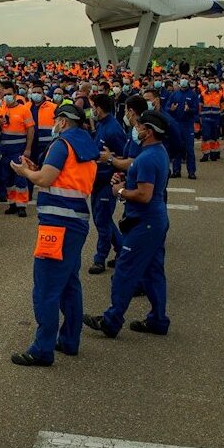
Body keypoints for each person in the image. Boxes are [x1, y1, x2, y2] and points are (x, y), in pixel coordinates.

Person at [8, 104, 98, 367]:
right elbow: (62, 177)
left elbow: (45, 179)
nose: (54, 124)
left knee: (46, 288)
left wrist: (26, 172)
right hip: (76, 221)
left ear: (63, 121)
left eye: (56, 119)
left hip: (57, 225)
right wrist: (37, 168)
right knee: (69, 284)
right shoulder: (85, 145)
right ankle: (69, 340)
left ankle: (42, 349)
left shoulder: (62, 145)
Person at [84, 111, 171, 339]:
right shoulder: (156, 152)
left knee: (124, 270)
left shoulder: (147, 157)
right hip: (154, 221)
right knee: (153, 272)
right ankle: (158, 320)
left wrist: (120, 191)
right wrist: (125, 181)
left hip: (145, 222)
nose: (136, 128)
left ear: (148, 131)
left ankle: (111, 321)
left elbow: (144, 195)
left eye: (139, 126)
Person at [89, 94, 127, 275]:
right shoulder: (101, 125)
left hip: (107, 181)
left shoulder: (113, 129)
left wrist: (111, 161)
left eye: (93, 107)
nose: (92, 111)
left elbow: (124, 157)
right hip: (97, 180)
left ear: (99, 108)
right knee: (100, 219)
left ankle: (100, 259)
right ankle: (122, 251)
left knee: (103, 221)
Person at [0, 89, 35, 217]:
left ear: (15, 95)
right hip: (4, 151)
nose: (7, 97)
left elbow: (31, 129)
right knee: (7, 178)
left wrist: (28, 148)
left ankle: (21, 205)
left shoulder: (24, 110)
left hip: (18, 150)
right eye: (5, 94)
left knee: (20, 177)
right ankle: (12, 204)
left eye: (9, 94)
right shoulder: (0, 110)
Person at [168, 79, 198, 179]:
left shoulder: (193, 95)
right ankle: (176, 171)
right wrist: (171, 109)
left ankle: (191, 172)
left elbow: (196, 109)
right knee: (177, 148)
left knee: (189, 150)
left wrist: (189, 109)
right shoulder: (174, 94)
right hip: (177, 124)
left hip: (188, 125)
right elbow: (167, 107)